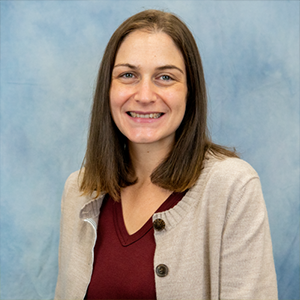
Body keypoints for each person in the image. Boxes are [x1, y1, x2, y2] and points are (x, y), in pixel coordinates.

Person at [55, 9, 278, 300]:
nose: (145, 95)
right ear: (107, 89)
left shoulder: (232, 186)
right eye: (128, 75)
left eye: (165, 77)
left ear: (190, 92)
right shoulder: (80, 190)